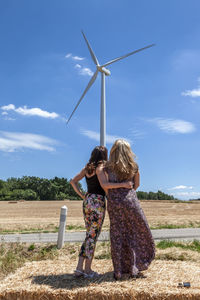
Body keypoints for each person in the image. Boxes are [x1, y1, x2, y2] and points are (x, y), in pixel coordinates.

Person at [70, 146, 132, 278]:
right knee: (93, 235)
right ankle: (87, 270)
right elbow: (106, 185)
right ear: (104, 156)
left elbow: (73, 181)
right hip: (98, 202)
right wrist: (123, 185)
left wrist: (83, 195)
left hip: (87, 202)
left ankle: (79, 268)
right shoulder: (101, 168)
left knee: (89, 234)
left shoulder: (87, 169)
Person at [98, 139, 155, 280]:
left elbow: (105, 185)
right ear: (128, 152)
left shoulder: (107, 167)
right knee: (137, 232)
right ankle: (136, 267)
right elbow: (137, 185)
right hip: (131, 202)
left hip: (114, 204)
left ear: (113, 151)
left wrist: (117, 187)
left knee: (118, 236)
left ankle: (119, 271)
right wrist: (125, 187)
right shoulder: (133, 166)